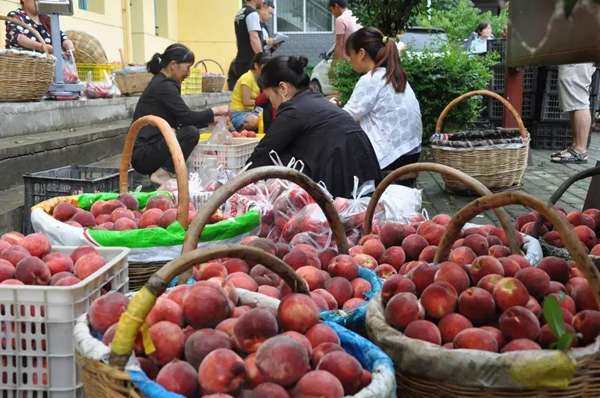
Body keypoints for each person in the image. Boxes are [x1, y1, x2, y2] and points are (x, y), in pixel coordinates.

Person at [247, 56, 381, 197]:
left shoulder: (293, 110)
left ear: (283, 88)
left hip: (341, 170)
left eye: (270, 98)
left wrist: (239, 181)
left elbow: (265, 151)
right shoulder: (314, 100)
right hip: (364, 164)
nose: (272, 104)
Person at [132, 44, 229, 185]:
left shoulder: (163, 83)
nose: (188, 73)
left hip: (151, 148)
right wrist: (215, 111)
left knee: (188, 131)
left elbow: (181, 119)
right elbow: (186, 117)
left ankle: (165, 172)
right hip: (144, 154)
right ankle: (162, 173)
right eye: (187, 67)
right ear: (173, 65)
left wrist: (210, 120)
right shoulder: (164, 86)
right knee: (190, 133)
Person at [343, 27, 422, 186]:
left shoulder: (372, 78)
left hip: (392, 156)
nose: (349, 60)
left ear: (361, 53)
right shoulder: (394, 75)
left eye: (350, 55)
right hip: (411, 151)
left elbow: (345, 117)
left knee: (338, 160)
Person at [551, 63, 596, 163]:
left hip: (581, 53)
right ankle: (575, 146)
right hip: (576, 53)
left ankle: (580, 150)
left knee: (578, 98)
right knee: (573, 101)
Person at [5, 0, 74, 53]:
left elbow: (61, 37)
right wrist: (41, 47)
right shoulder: (16, 15)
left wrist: (68, 46)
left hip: (46, 66)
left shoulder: (46, 19)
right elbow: (18, 37)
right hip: (22, 65)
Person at [227, 0, 264, 90]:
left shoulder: (240, 13)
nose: (263, 1)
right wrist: (262, 58)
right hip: (250, 63)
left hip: (240, 60)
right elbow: (254, 37)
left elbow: (240, 39)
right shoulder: (252, 13)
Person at [230, 53, 271, 131]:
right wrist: (262, 99)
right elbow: (246, 102)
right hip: (239, 114)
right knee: (257, 122)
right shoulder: (247, 78)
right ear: (256, 65)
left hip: (252, 112)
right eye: (265, 67)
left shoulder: (259, 79)